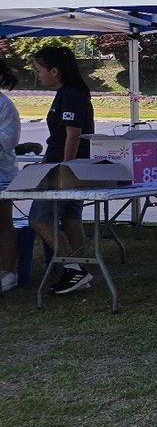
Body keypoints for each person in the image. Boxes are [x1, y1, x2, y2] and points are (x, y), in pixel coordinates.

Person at [30, 46, 95, 296]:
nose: (37, 75)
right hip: (65, 165)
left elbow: (73, 134)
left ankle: (73, 268)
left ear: (55, 71)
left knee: (39, 218)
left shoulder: (71, 95)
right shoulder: (68, 93)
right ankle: (79, 270)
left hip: (64, 167)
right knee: (70, 219)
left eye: (38, 70)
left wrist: (65, 167)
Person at [0, 61, 21, 293]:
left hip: (1, 174)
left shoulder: (5, 106)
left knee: (3, 222)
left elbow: (7, 141)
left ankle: (8, 272)